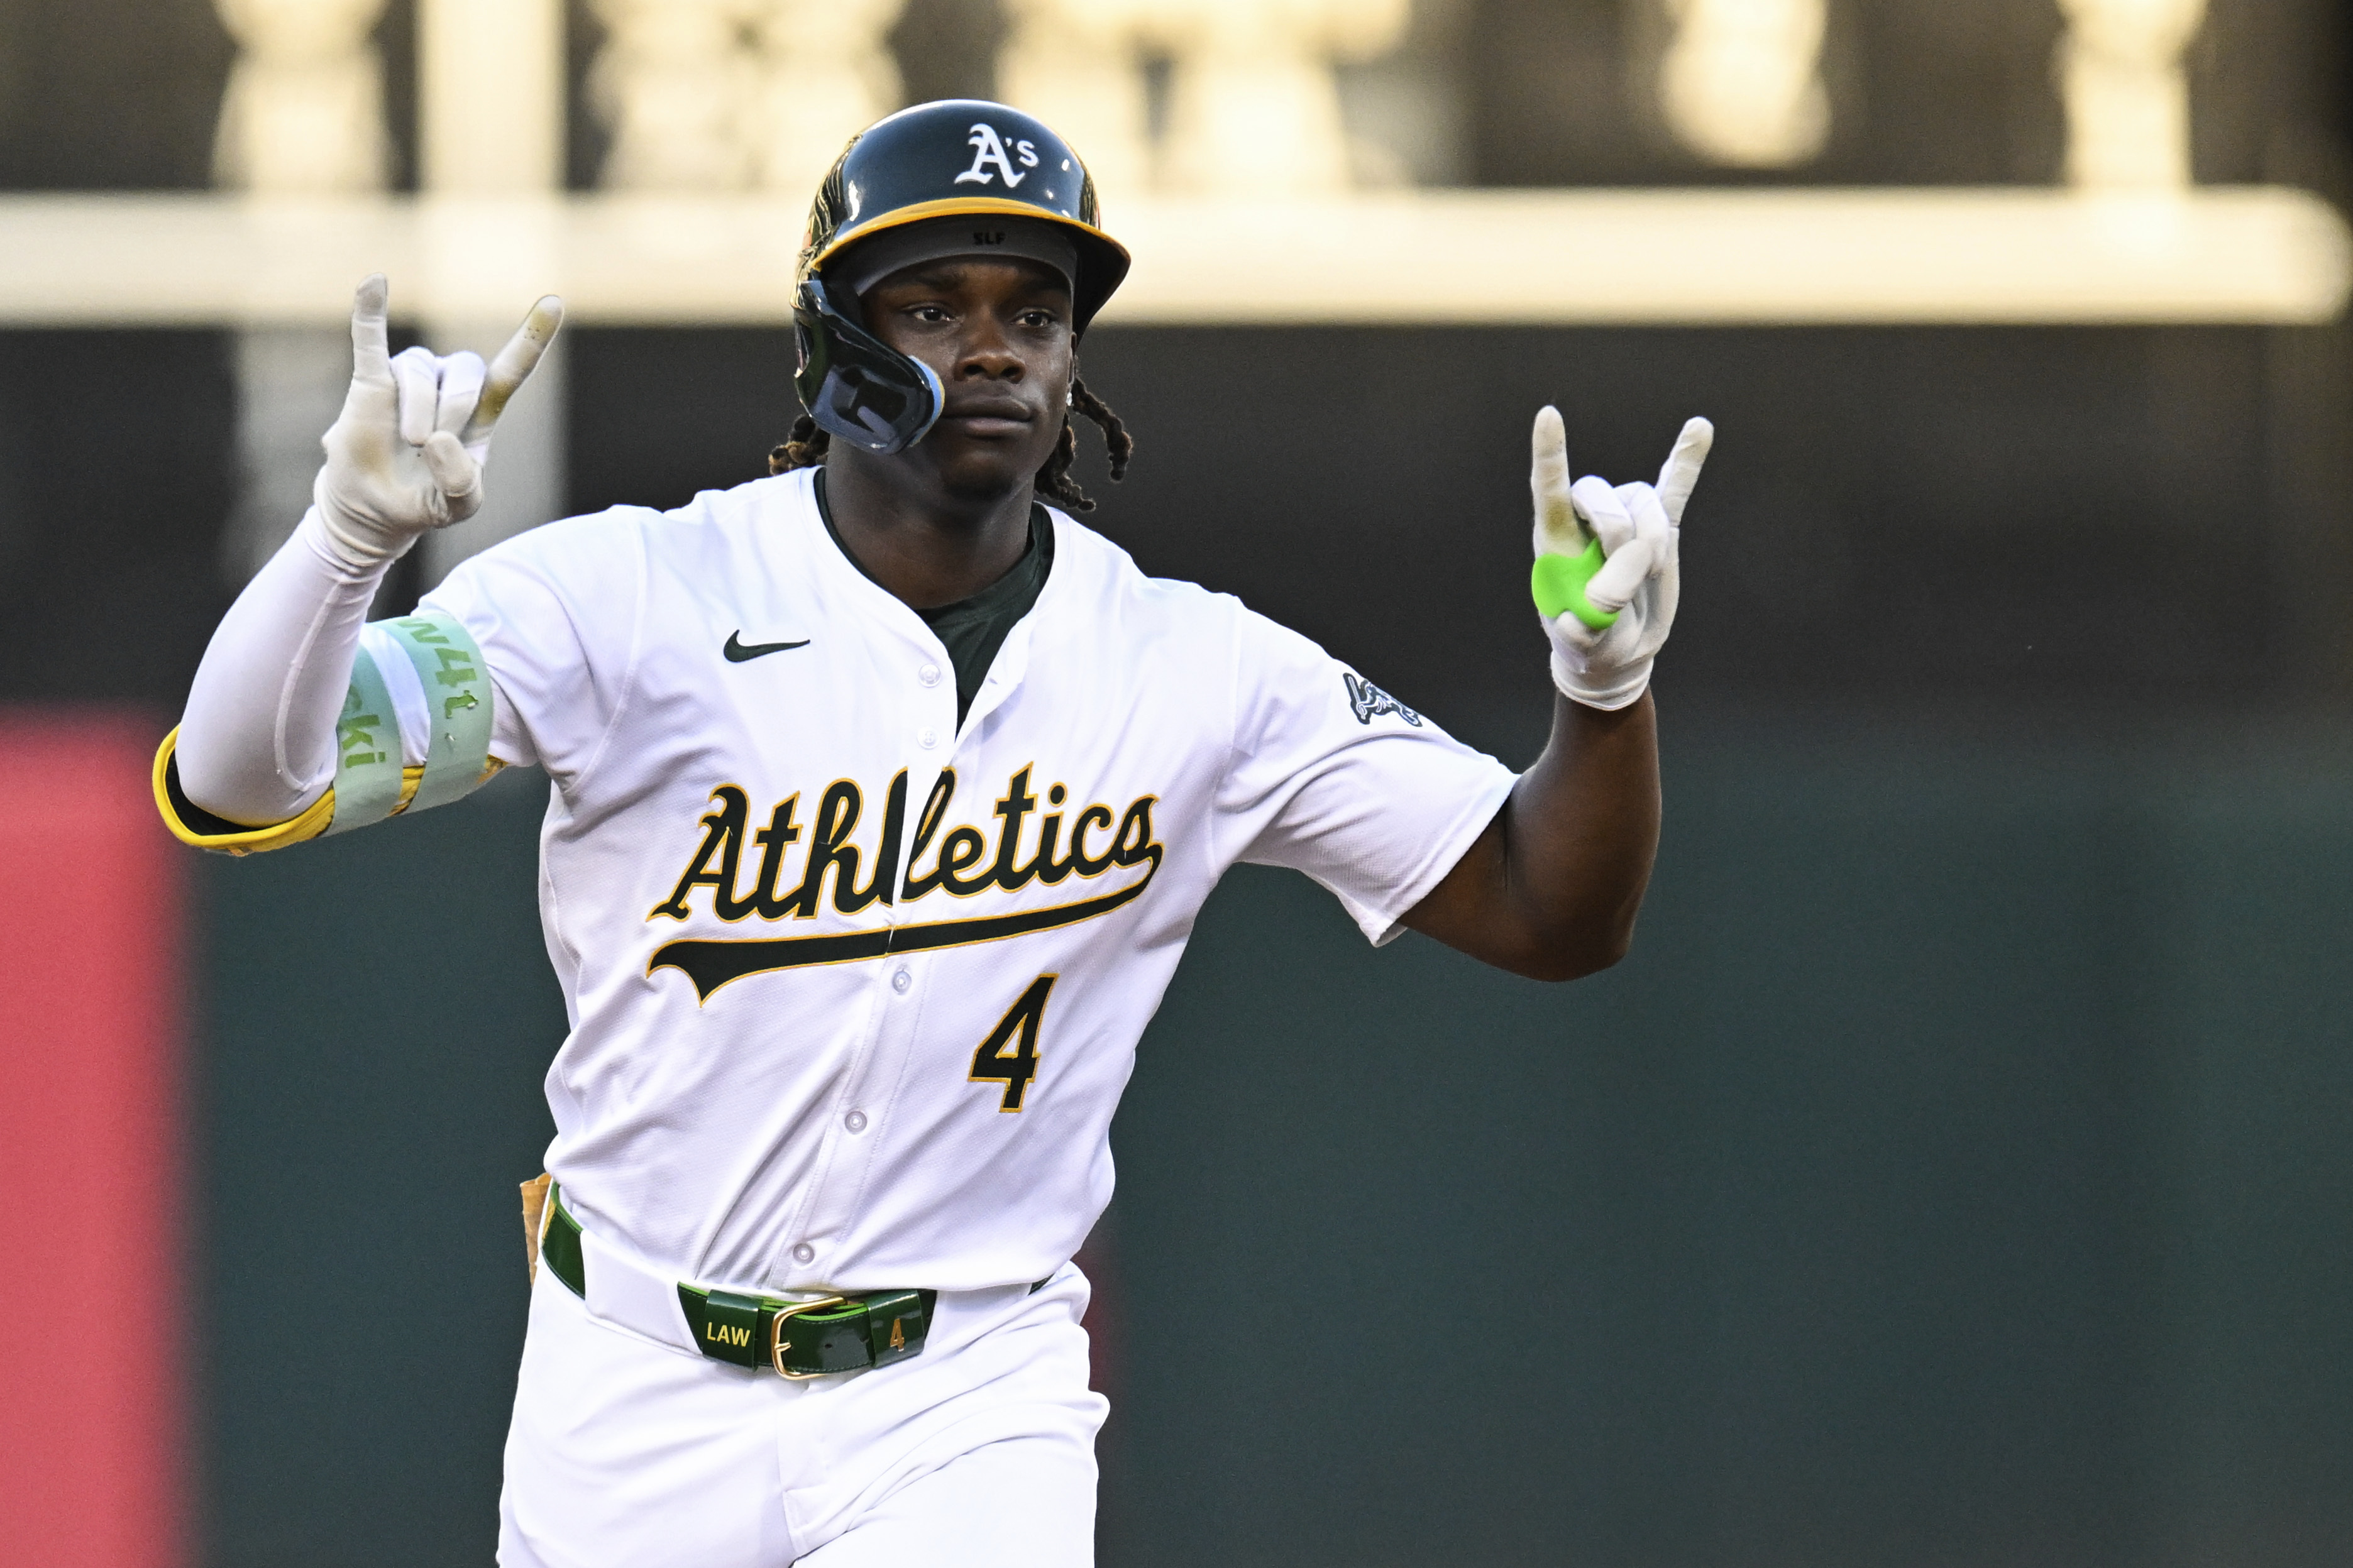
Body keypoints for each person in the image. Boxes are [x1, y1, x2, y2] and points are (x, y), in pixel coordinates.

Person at [158, 99, 1711, 1567]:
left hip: (965, 1386)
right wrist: (345, 544)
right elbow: (247, 779)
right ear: (835, 347)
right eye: (931, 307)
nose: (994, 352)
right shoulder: (631, 596)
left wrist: (1605, 682)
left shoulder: (1198, 667)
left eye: (1033, 314)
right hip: (629, 1371)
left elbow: (1546, 909)